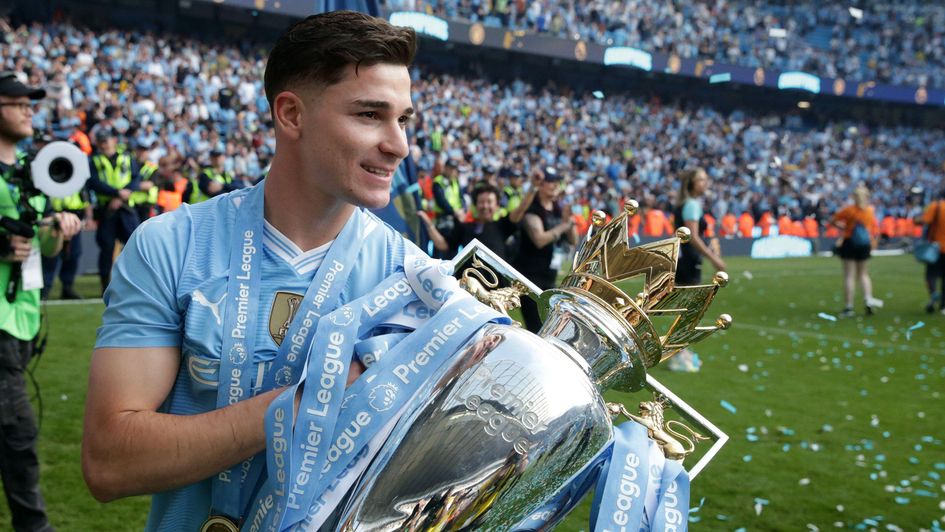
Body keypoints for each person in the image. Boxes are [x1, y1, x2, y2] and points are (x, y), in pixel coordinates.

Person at [82, 11, 419, 531]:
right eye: (371, 115)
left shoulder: (410, 278)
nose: (398, 144)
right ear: (291, 115)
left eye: (404, 119)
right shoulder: (170, 245)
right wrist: (311, 402)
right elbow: (109, 462)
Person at [0, 71, 81, 532]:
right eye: (15, 102)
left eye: (30, 102)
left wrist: (56, 232)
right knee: (18, 433)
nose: (29, 108)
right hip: (2, 324)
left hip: (23, 317)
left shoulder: (29, 170)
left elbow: (41, 249)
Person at [670, 167, 725, 372]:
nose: (705, 183)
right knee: (689, 308)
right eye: (701, 180)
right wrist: (714, 258)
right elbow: (692, 236)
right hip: (689, 261)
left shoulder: (684, 204)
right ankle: (678, 352)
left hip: (683, 259)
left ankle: (679, 351)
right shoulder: (692, 205)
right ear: (692, 183)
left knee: (685, 307)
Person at [512, 166, 577, 331]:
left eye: (557, 181)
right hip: (530, 277)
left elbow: (573, 240)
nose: (555, 185)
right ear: (540, 185)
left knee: (551, 327)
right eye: (550, 181)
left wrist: (569, 221)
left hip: (549, 276)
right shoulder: (532, 210)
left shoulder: (557, 209)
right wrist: (563, 226)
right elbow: (539, 239)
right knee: (537, 327)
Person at [86, 127, 142, 294]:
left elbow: (136, 179)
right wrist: (116, 193)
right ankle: (105, 286)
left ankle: (138, 284)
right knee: (107, 248)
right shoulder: (94, 160)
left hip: (125, 208)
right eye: (101, 141)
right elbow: (93, 183)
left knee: (136, 245)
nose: (103, 144)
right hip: (107, 210)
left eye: (106, 140)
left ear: (114, 141)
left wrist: (120, 196)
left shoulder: (127, 157)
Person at [418, 182, 528, 262]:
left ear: (497, 205)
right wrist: (429, 225)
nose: (485, 206)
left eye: (489, 202)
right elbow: (444, 244)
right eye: (481, 202)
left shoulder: (503, 225)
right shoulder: (465, 227)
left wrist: (533, 188)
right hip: (468, 283)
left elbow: (520, 210)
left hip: (497, 287)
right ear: (475, 205)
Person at [830, 184, 881, 318]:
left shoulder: (848, 210)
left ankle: (849, 307)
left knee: (849, 276)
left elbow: (833, 220)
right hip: (864, 243)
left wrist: (844, 227)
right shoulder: (870, 210)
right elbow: (872, 227)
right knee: (863, 274)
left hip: (849, 242)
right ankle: (868, 300)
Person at [916, 189, 945, 313]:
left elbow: (923, 221)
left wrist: (916, 218)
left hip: (936, 248)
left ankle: (933, 294)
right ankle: (943, 305)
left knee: (931, 274)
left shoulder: (936, 206)